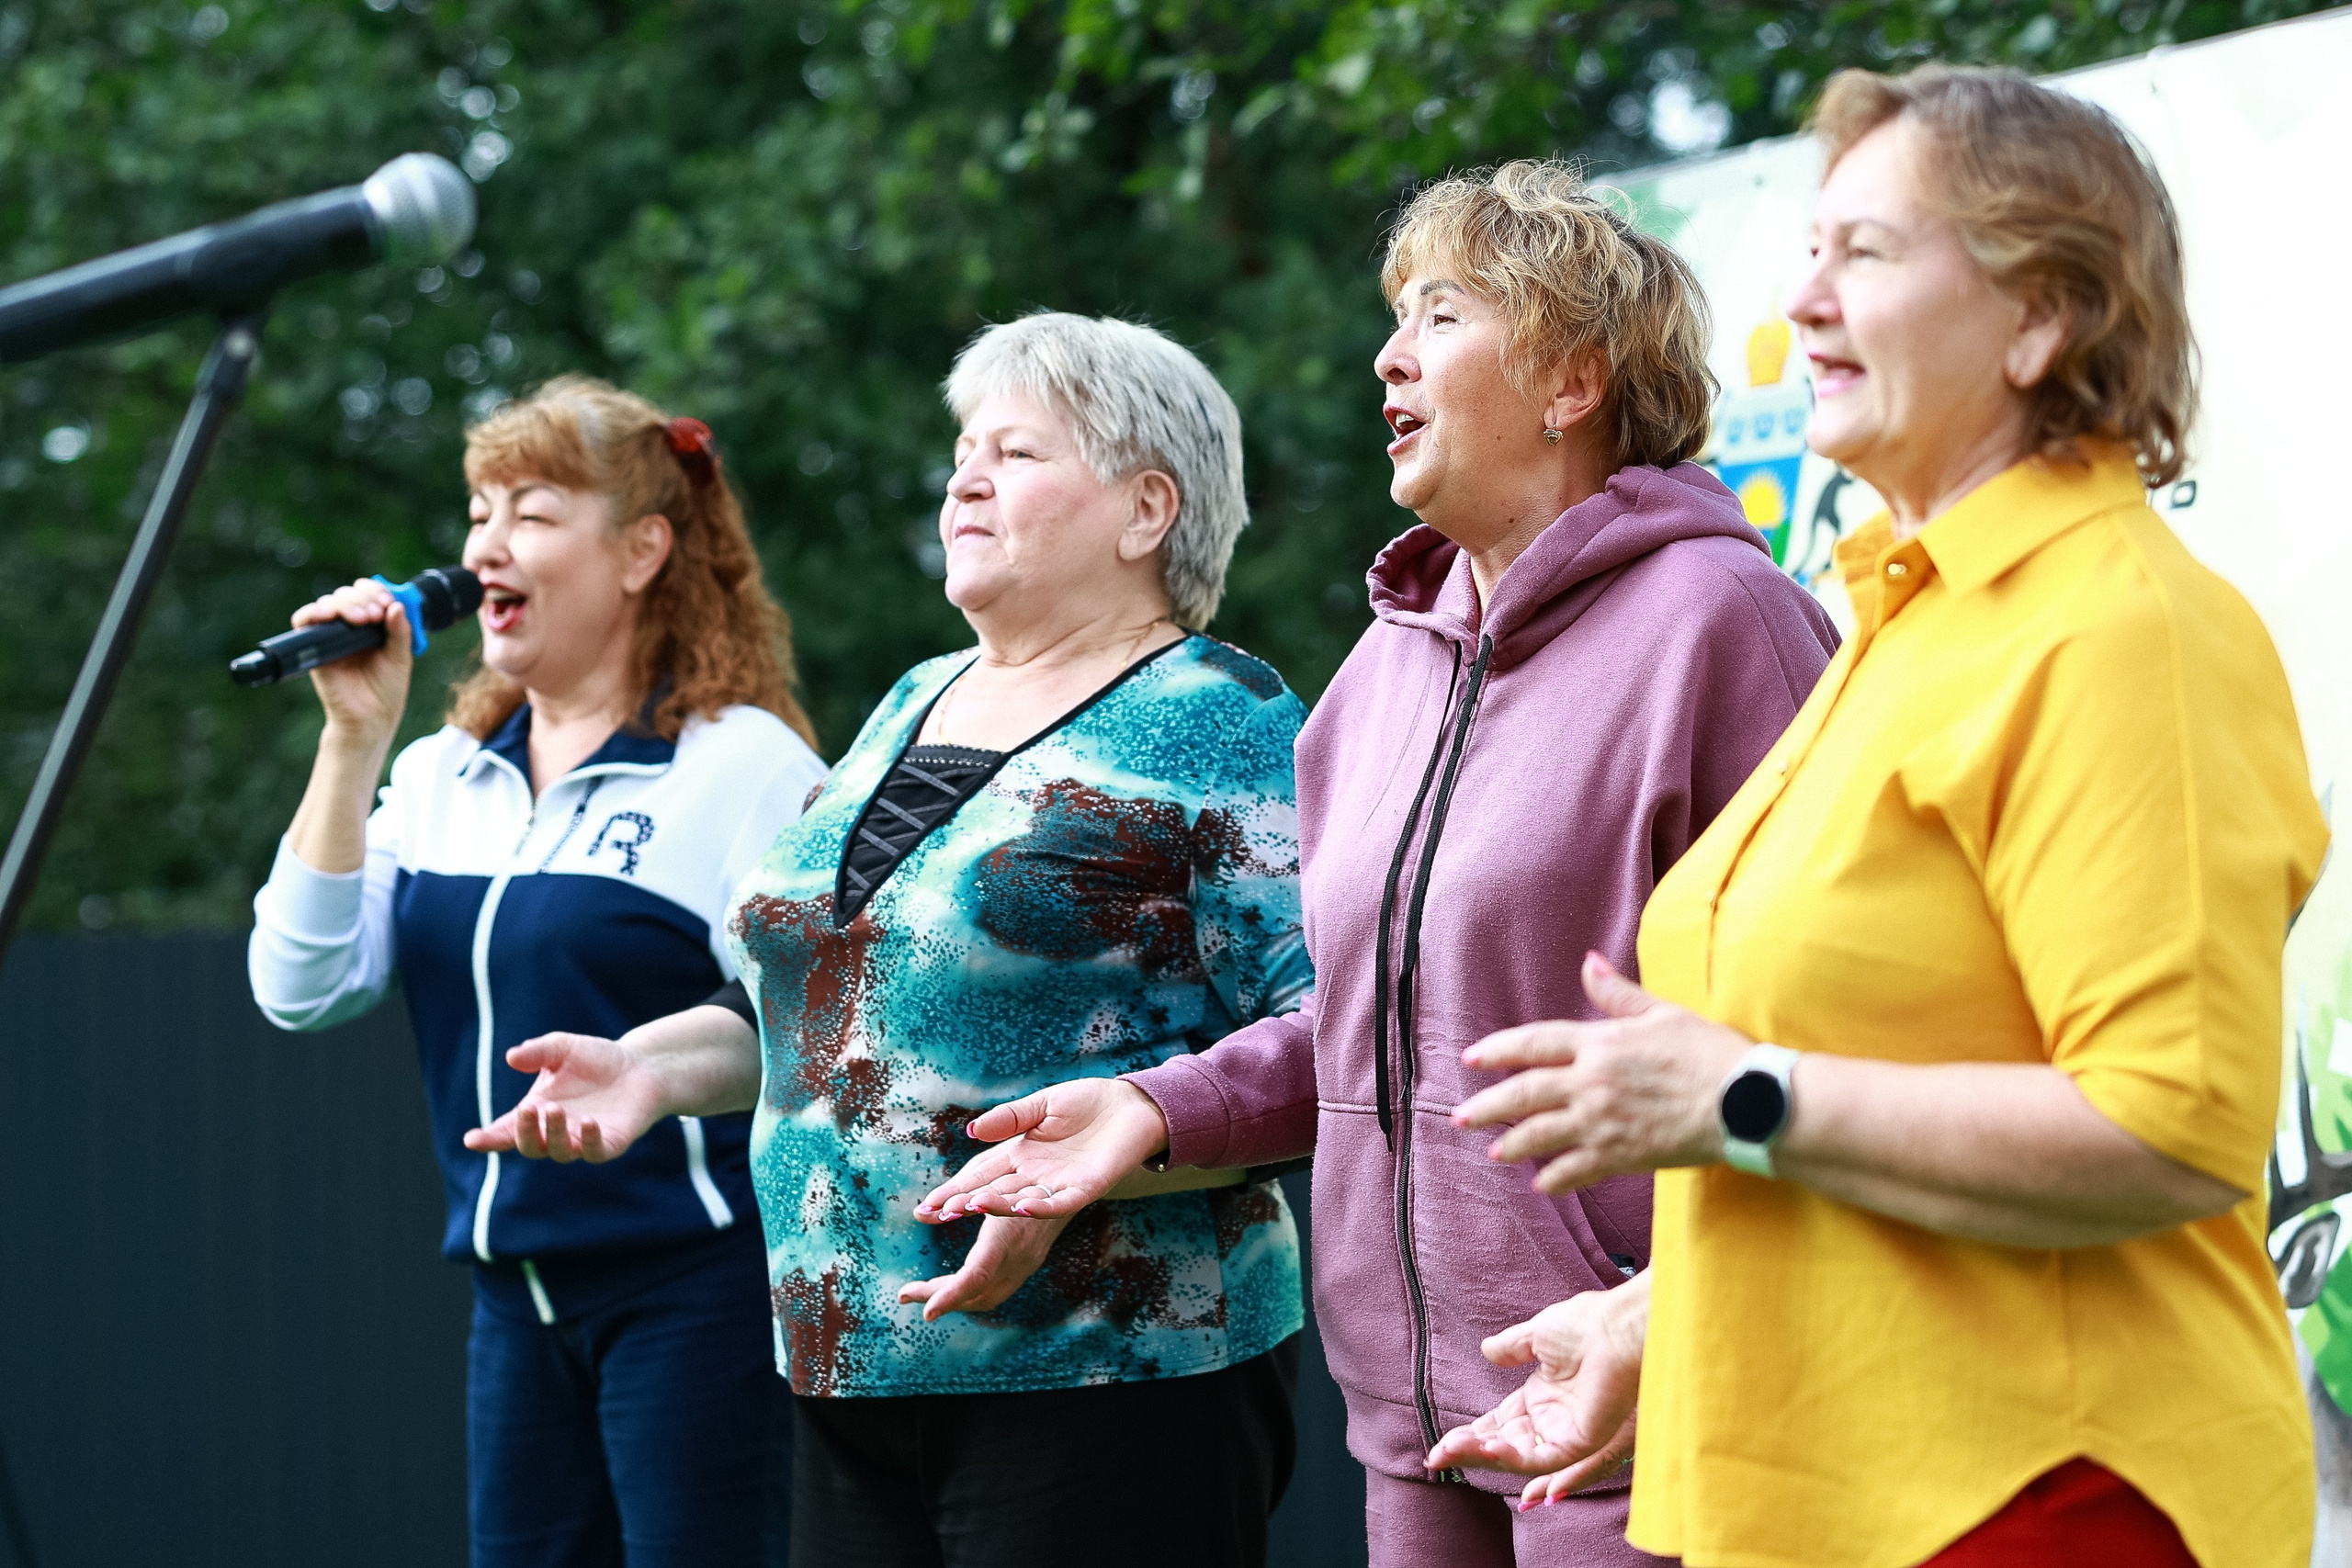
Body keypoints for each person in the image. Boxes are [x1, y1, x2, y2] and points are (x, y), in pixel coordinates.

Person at [1431, 63, 2326, 1568]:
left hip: (2045, 1501)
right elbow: (1901, 1073)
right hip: (1838, 1499)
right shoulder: (1909, 628)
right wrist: (1666, 1313)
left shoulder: (2120, 629)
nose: (1810, 300)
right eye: (1811, 251)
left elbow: (2167, 1131)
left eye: (1871, 253)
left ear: (2042, 316)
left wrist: (1732, 1102)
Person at [918, 164, 1838, 1566]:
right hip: (1406, 1430)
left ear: (1573, 378)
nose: (1387, 356)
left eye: (1442, 316)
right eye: (1393, 315)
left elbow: (1823, 1036)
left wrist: (1662, 1310)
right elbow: (1372, 1037)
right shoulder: (1372, 679)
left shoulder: (1727, 623)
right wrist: (1150, 1115)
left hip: (1642, 1406)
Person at [466, 313, 1313, 1568]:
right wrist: (652, 1069)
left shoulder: (1219, 716)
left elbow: (1338, 1039)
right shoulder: (916, 697)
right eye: (963, 447)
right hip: (843, 1365)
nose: (965, 475)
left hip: (1108, 1370)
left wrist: (1130, 1139)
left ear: (1147, 512)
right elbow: (829, 1014)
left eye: (1016, 453)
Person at [248, 376, 825, 1568]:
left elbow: (812, 1024)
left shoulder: (741, 768)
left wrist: (647, 1072)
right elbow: (298, 985)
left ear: (640, 550)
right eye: (477, 508)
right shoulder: (442, 773)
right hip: (513, 1306)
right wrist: (352, 740)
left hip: (695, 1297)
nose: (484, 544)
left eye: (533, 509)